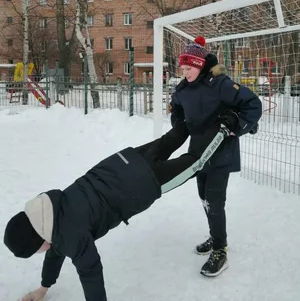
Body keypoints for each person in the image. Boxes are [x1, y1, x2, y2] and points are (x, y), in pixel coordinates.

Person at [3, 111, 237, 301]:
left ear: (37, 239)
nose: (40, 252)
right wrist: (43, 288)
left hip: (141, 185)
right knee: (171, 139)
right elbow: (55, 254)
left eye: (35, 250)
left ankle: (225, 126)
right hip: (125, 161)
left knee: (194, 162)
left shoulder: (68, 235)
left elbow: (90, 271)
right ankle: (199, 111)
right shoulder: (50, 209)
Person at [170, 36, 262, 277]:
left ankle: (220, 250)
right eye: (183, 68)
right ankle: (215, 235)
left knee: (214, 200)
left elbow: (253, 104)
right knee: (204, 197)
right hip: (199, 152)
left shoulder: (219, 84)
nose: (185, 72)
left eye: (189, 68)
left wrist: (237, 123)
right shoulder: (183, 89)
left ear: (200, 65)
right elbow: (176, 109)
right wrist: (179, 124)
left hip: (222, 151)